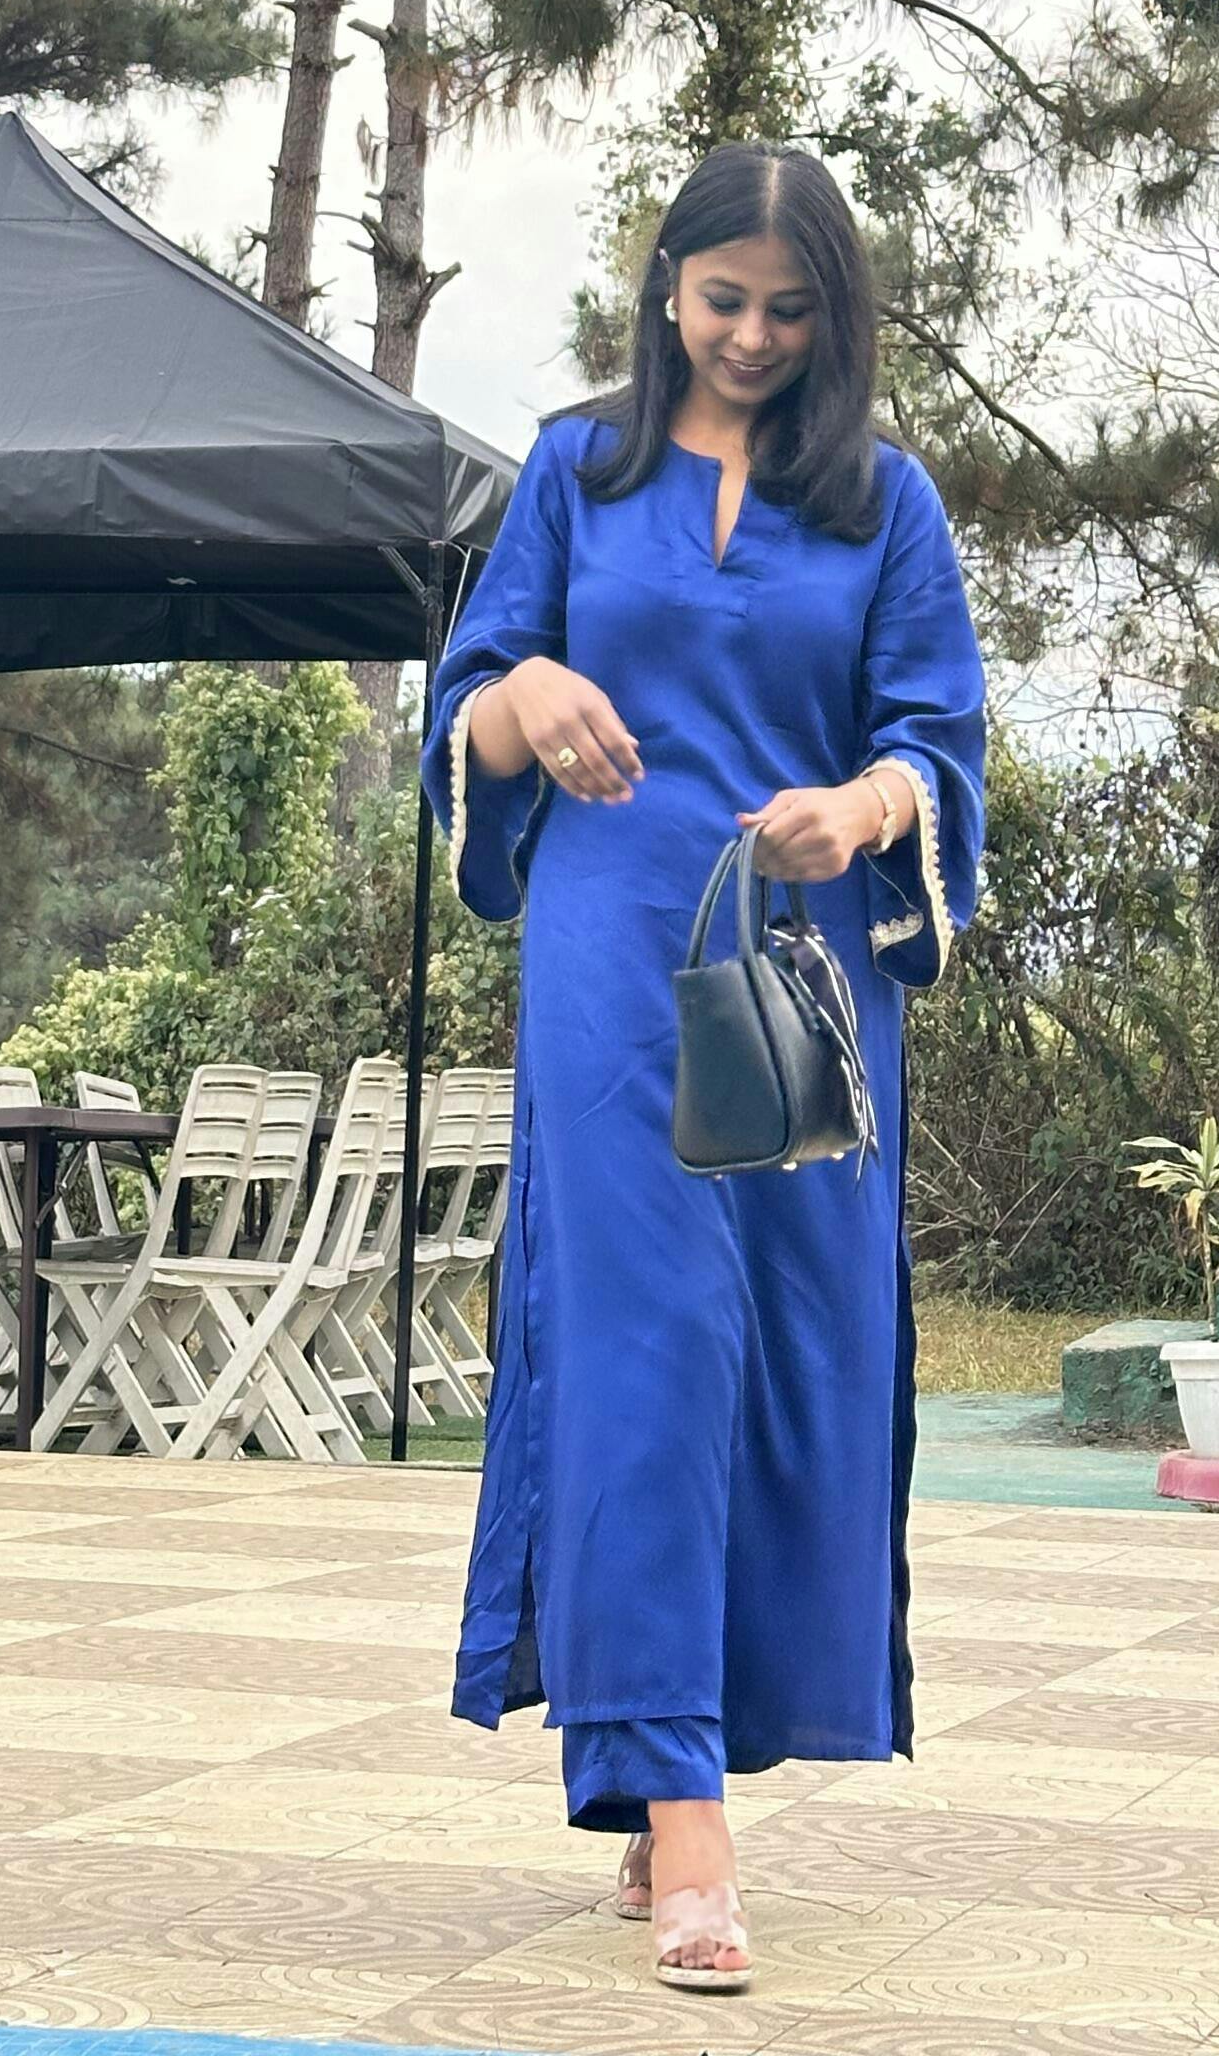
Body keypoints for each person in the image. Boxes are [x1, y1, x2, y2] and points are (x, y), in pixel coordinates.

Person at [422, 139, 988, 1999]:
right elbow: (473, 697)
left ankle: (663, 1757)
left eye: (788, 310)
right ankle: (687, 1819)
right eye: (723, 299)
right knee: (645, 1351)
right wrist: (521, 701)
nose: (749, 337)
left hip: (805, 972)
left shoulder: (884, 503)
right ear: (666, 287)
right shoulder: (573, 474)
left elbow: (939, 742)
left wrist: (867, 806)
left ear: (835, 319)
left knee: (787, 1364)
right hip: (610, 959)